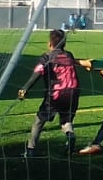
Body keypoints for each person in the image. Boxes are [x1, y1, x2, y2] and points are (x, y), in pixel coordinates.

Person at [17, 29, 81, 157]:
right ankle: (70, 135)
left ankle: (30, 150)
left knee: (39, 121)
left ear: (50, 43)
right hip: (73, 92)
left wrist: (25, 88)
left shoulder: (47, 57)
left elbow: (38, 72)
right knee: (66, 120)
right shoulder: (69, 55)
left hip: (56, 93)